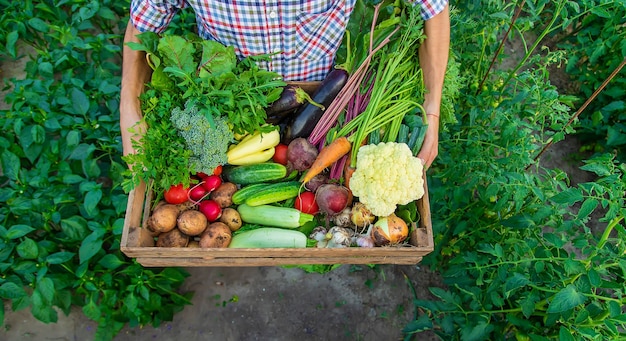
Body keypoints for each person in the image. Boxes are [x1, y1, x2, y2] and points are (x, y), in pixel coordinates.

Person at [120, 0, 449, 169]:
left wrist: (431, 112)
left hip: (330, 104)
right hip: (225, 107)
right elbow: (145, 20)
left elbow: (433, 7)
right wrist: (129, 115)